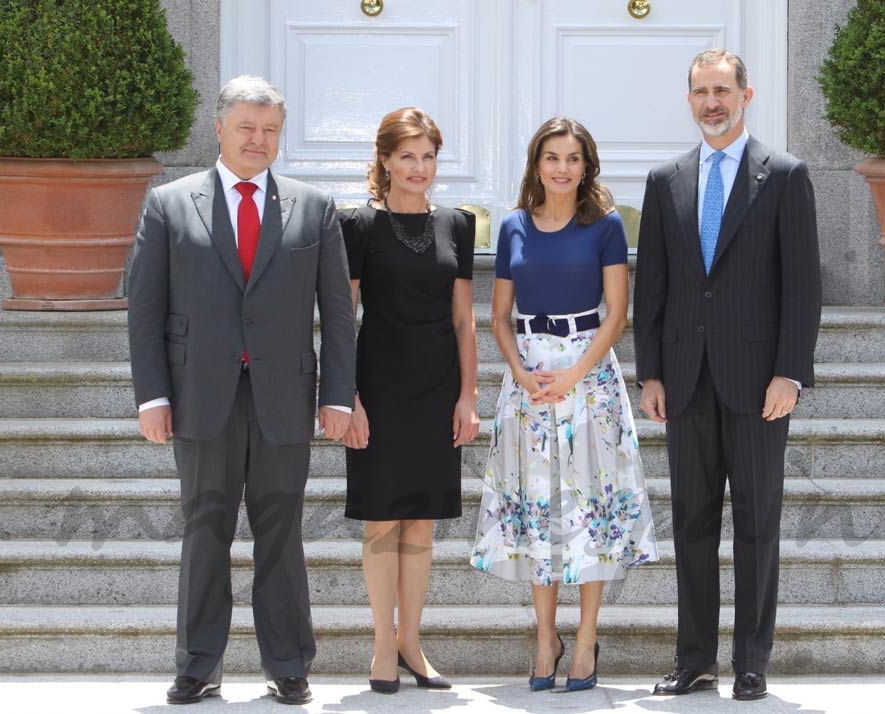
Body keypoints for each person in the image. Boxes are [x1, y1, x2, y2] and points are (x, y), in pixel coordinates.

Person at [128, 75, 356, 706]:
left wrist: (339, 395)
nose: (259, 140)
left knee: (281, 534)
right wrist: (152, 395)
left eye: (271, 130)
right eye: (247, 127)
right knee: (206, 531)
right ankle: (198, 665)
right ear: (219, 130)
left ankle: (289, 664)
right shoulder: (169, 204)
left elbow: (337, 313)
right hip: (201, 395)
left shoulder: (314, 208)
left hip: (284, 397)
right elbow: (145, 310)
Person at [634, 49, 822, 701]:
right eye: (700, 91)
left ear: (748, 94)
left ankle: (751, 661)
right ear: (688, 100)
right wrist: (649, 373)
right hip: (684, 379)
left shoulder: (787, 176)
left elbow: (803, 287)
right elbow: (651, 288)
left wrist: (790, 374)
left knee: (757, 520)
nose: (711, 101)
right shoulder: (665, 182)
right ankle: (695, 659)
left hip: (758, 383)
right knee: (690, 520)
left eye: (722, 89)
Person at [471, 117, 659, 693]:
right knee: (537, 505)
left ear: (586, 165)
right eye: (551, 157)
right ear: (537, 164)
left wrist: (576, 372)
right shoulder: (512, 227)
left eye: (572, 158)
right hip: (527, 377)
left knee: (592, 505)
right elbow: (499, 315)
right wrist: (521, 372)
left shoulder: (602, 226)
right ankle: (546, 637)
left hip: (588, 373)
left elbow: (617, 312)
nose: (561, 168)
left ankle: (585, 641)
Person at [338, 107, 480, 694]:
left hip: (437, 388)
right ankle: (380, 647)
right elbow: (343, 318)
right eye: (407, 156)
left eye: (427, 156)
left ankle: (411, 644)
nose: (418, 168)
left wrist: (468, 396)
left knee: (421, 523)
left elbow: (465, 318)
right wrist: (347, 398)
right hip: (378, 386)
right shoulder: (357, 225)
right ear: (385, 161)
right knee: (381, 523)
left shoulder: (458, 223)